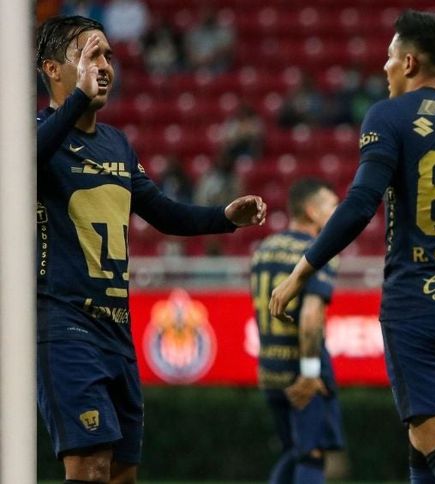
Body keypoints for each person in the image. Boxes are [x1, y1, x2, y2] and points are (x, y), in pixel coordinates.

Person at [269, 10, 435, 484]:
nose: (385, 66)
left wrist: (301, 270)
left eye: (390, 56)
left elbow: (360, 204)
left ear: (410, 62)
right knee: (425, 447)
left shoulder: (390, 115)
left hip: (421, 303)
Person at [35, 16, 267, 483]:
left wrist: (224, 217)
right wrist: (77, 99)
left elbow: (162, 212)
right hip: (64, 322)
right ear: (53, 69)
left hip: (117, 328)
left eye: (108, 55)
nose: (104, 66)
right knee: (90, 466)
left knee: (122, 473)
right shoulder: (35, 133)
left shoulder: (116, 144)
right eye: (90, 55)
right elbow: (23, 164)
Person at [250, 178, 344, 484]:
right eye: (332, 206)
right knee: (311, 455)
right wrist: (310, 372)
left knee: (292, 450)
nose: (338, 212)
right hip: (301, 370)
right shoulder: (319, 250)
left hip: (269, 370)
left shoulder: (264, 249)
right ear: (311, 211)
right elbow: (311, 316)